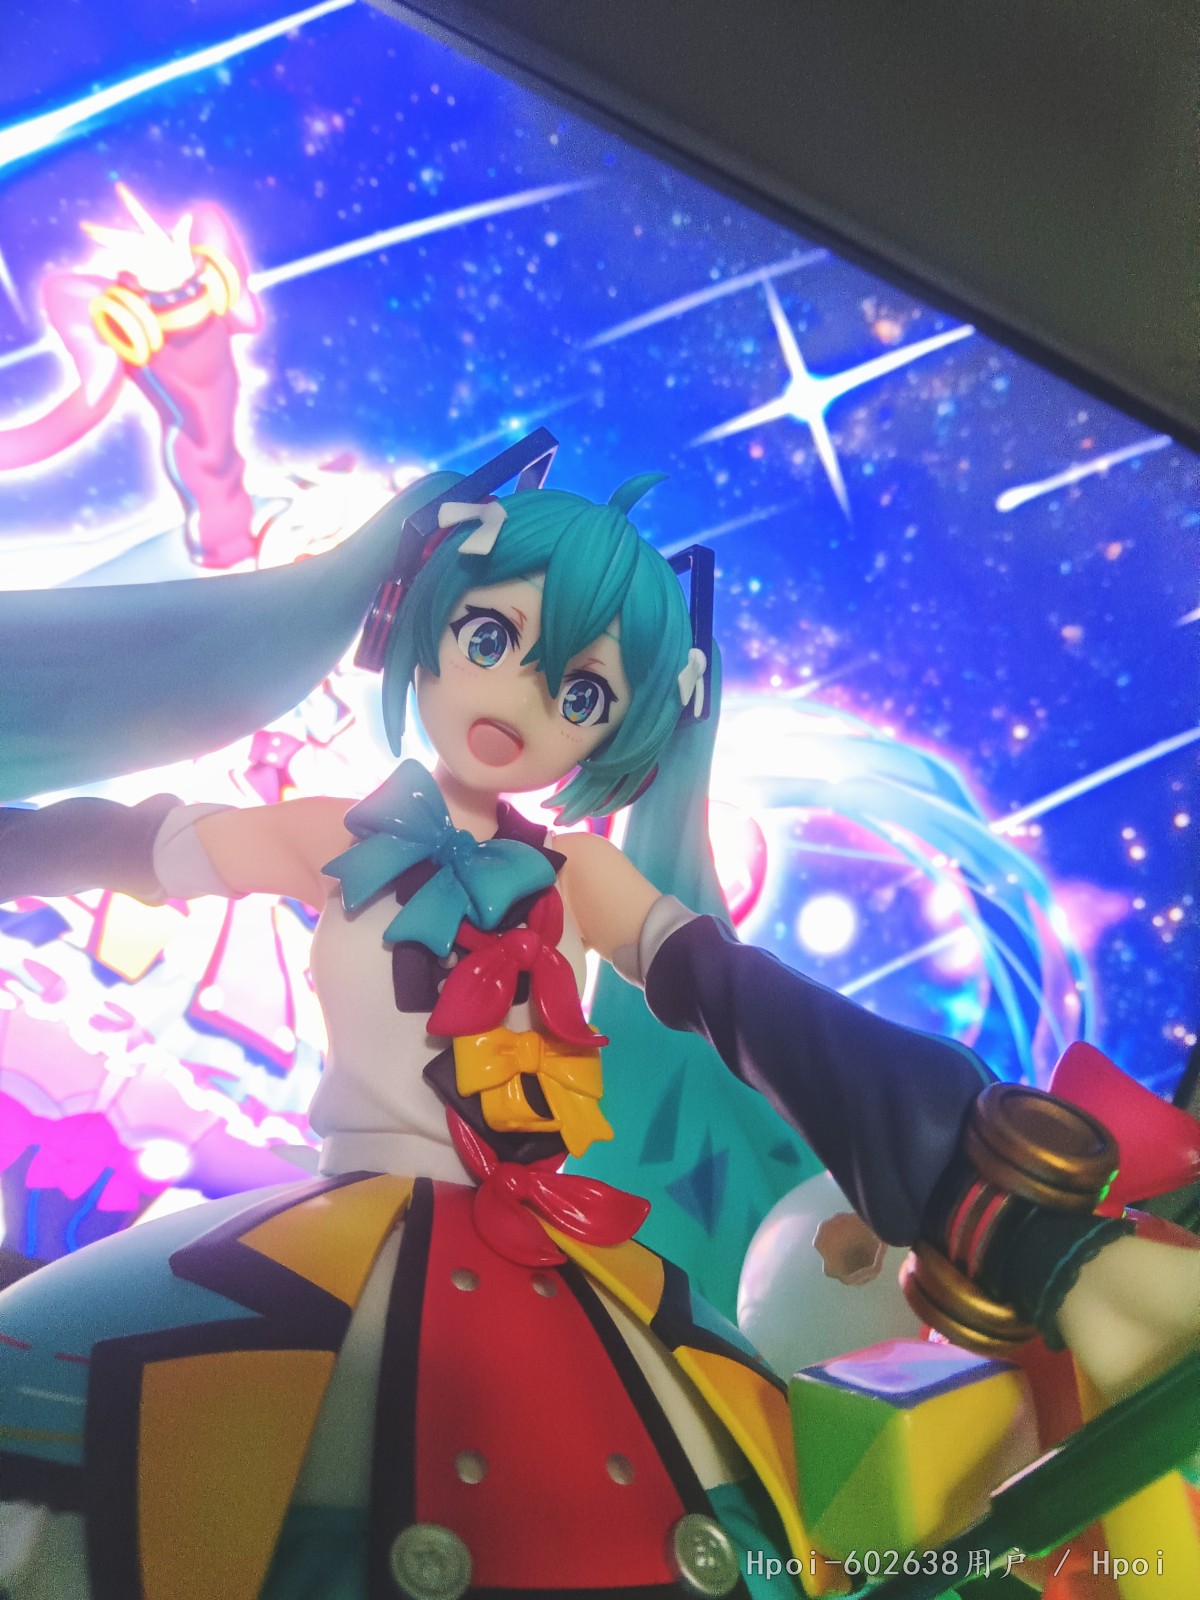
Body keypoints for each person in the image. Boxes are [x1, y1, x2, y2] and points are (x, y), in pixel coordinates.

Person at [0, 436, 1196, 1600]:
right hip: (323, 1240)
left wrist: (983, 1192)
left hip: (560, 1251)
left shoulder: (583, 877)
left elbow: (746, 1000)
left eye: (579, 689)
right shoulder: (334, 836)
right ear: (415, 615)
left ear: (623, 727)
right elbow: (128, 846)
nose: (519, 698)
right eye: (490, 636)